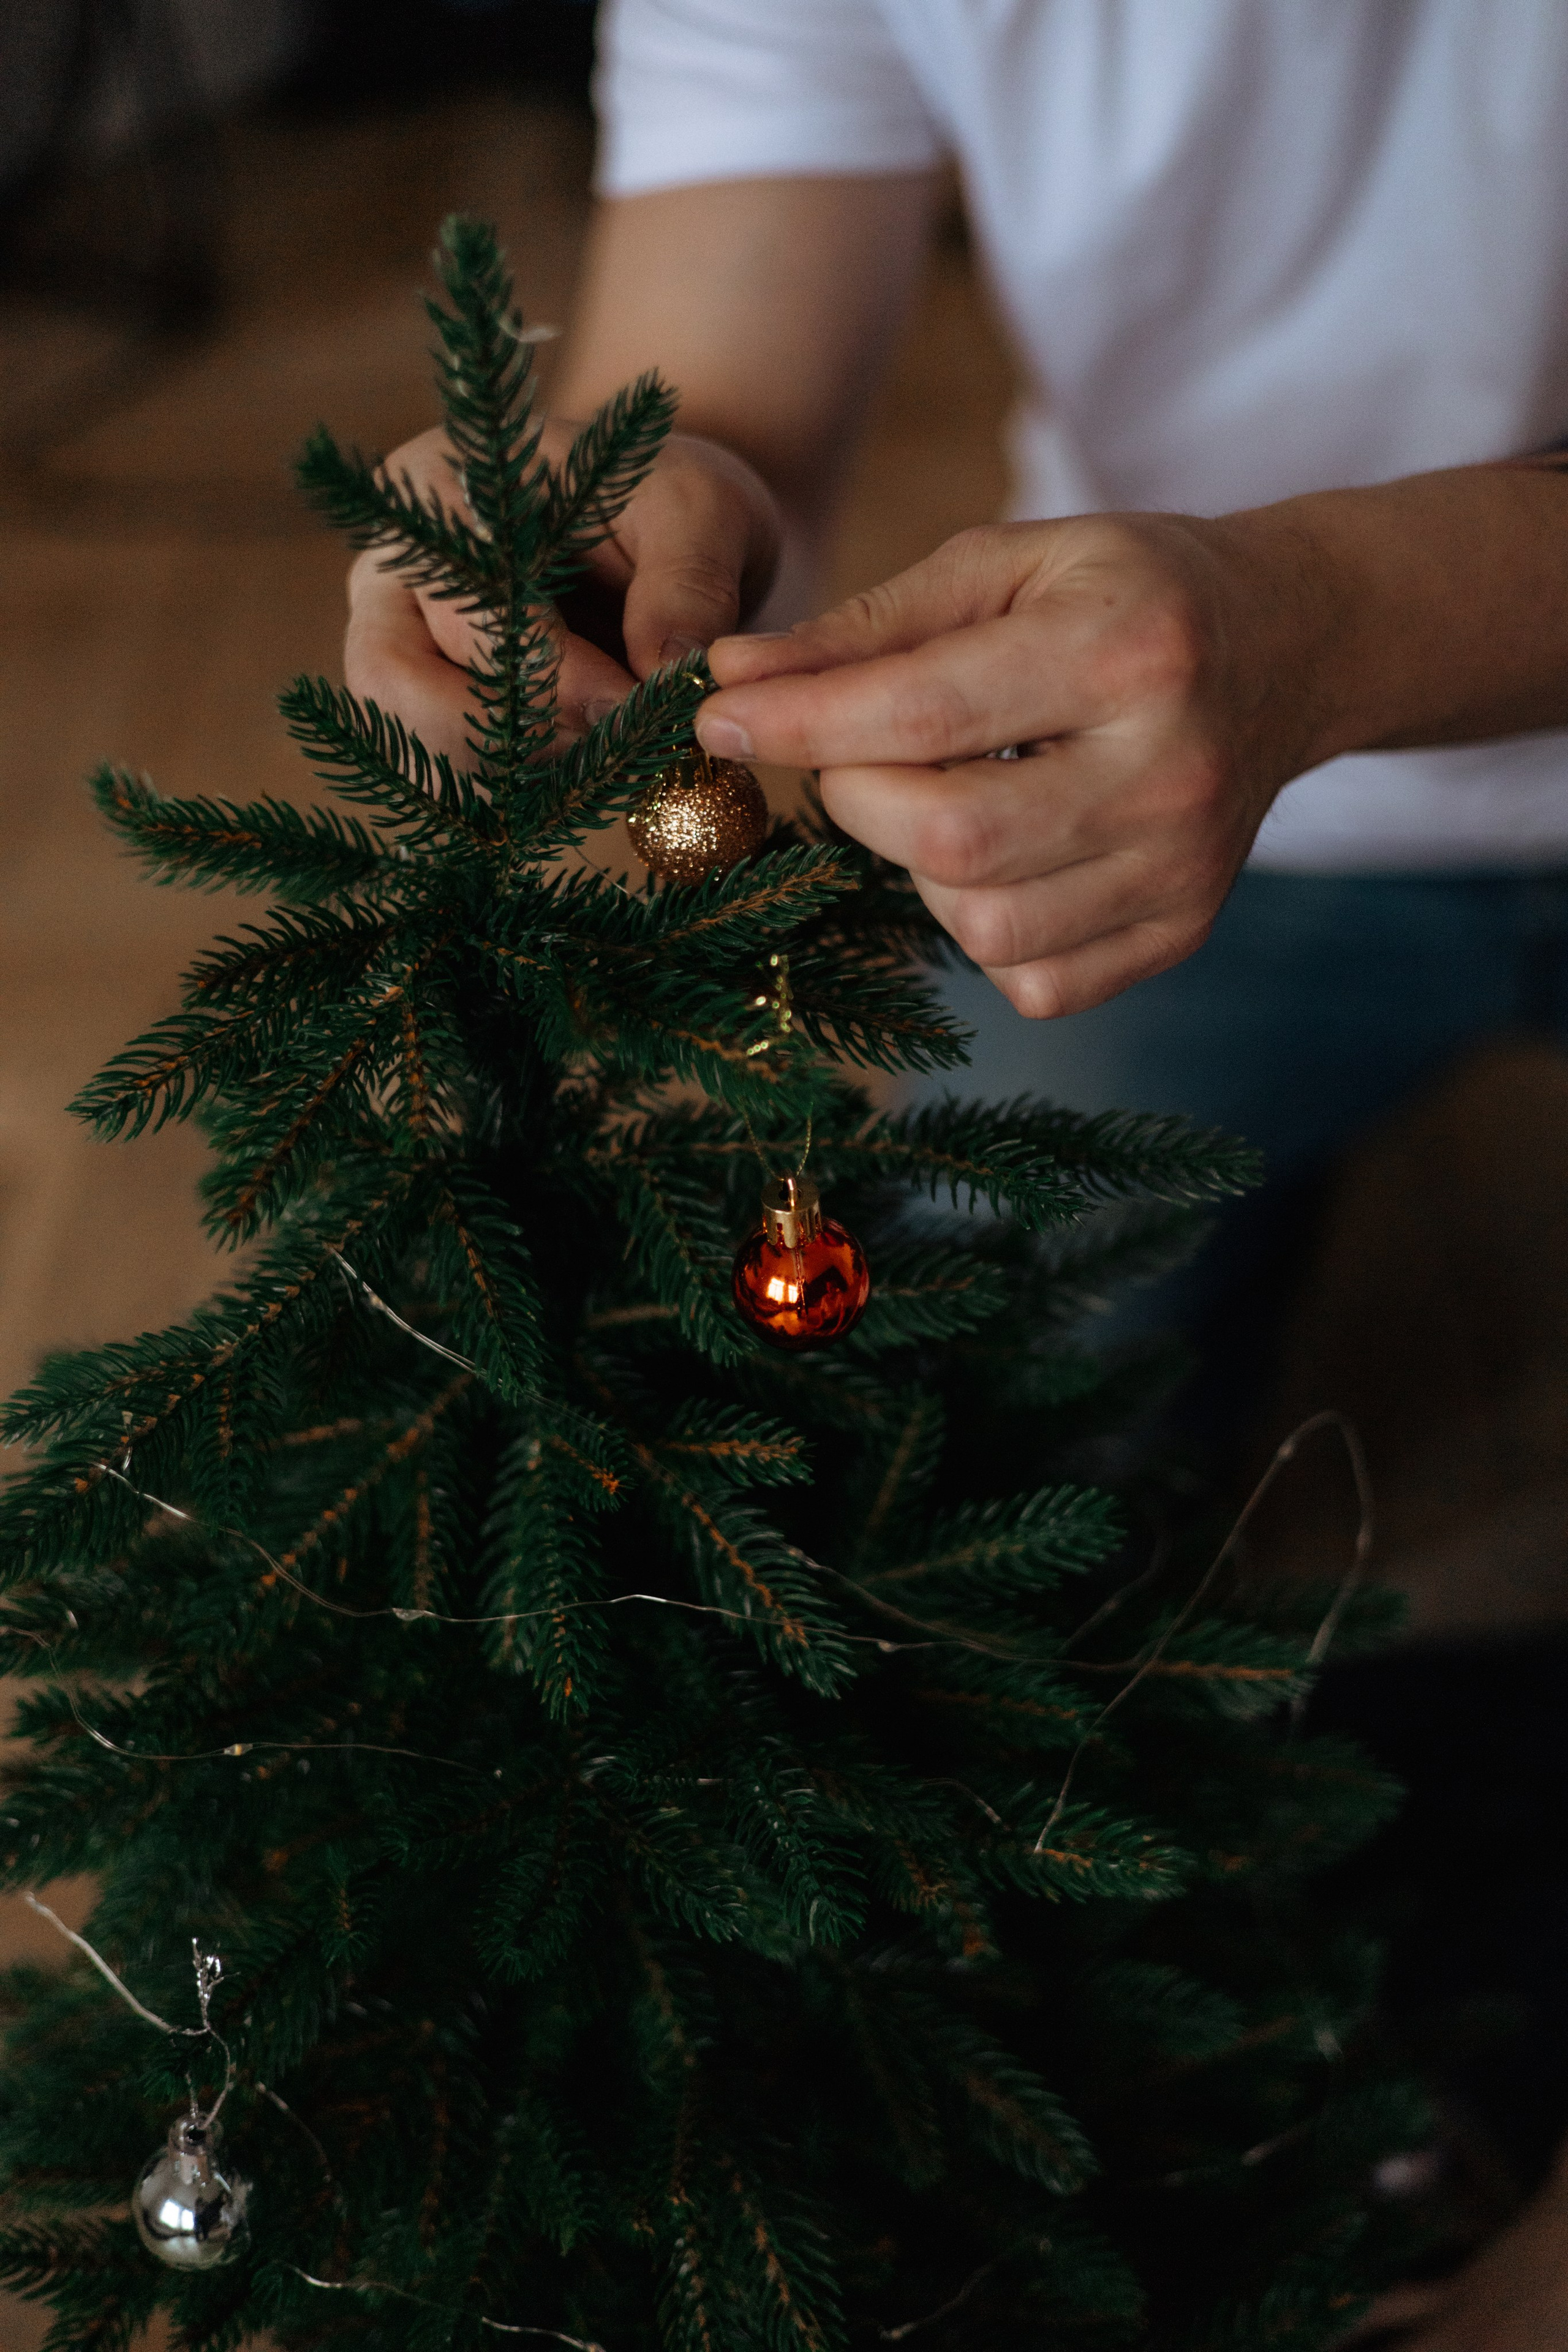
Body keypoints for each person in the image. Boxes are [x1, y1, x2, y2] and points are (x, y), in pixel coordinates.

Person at [343, 6, 1568, 2340]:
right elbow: (718, 378)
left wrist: (1330, 622)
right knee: (915, 1461)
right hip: (1215, 788)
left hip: (1284, 681)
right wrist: (628, 521)